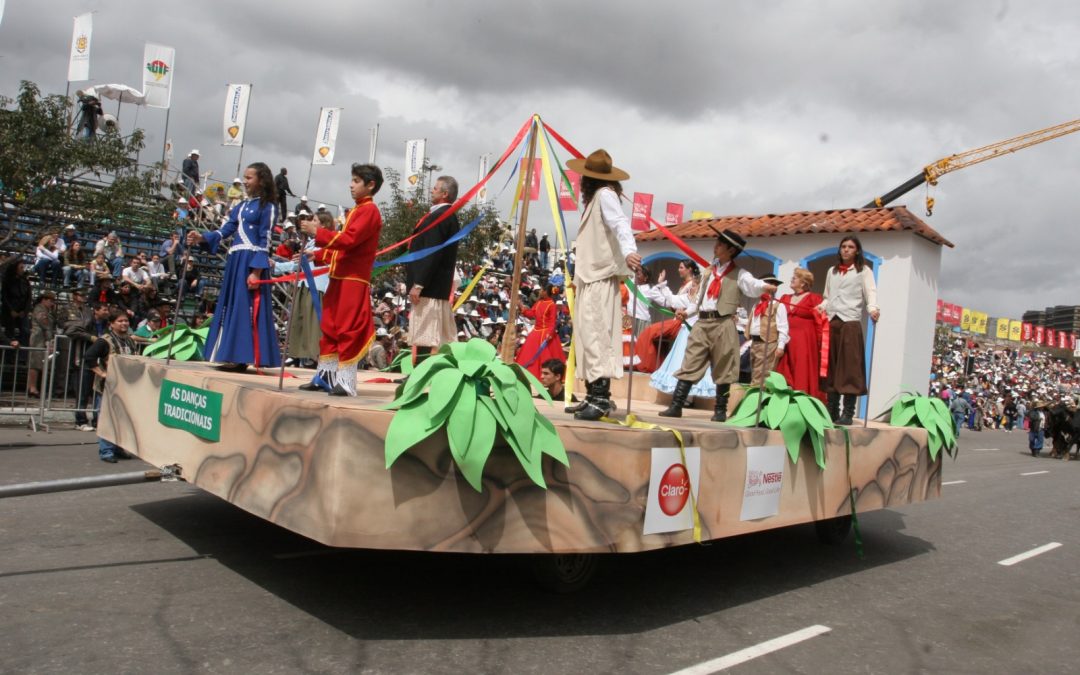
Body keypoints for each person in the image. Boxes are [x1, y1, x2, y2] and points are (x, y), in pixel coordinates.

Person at [659, 228, 776, 421]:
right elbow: (699, 300)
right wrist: (687, 313)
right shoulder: (708, 272)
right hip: (703, 322)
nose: (716, 246)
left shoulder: (740, 273)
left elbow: (752, 285)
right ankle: (676, 405)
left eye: (720, 244)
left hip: (723, 323)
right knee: (690, 362)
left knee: (724, 366)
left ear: (731, 250)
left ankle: (720, 411)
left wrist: (766, 286)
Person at [564, 149, 642, 421]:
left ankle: (601, 399)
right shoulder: (598, 199)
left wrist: (630, 250)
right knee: (587, 335)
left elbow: (620, 224)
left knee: (597, 334)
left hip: (599, 277)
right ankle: (592, 395)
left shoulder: (605, 196)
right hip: (590, 277)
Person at [297, 163, 383, 396]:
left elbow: (349, 240)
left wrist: (318, 233)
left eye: (356, 181)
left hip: (354, 279)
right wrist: (316, 254)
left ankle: (346, 380)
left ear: (370, 185)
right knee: (331, 326)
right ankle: (326, 375)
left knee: (347, 327)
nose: (350, 185)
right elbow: (342, 250)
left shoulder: (369, 211)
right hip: (340, 276)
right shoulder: (356, 210)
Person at [187, 162, 281, 372]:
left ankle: (241, 357)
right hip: (235, 260)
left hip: (250, 261)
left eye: (249, 178)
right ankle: (230, 353)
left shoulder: (268, 207)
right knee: (230, 304)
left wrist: (256, 271)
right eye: (245, 178)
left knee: (244, 306)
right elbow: (226, 229)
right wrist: (203, 237)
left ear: (262, 180)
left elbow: (265, 240)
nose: (245, 182)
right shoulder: (240, 207)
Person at [818, 235, 879, 425]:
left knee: (850, 368)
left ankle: (848, 412)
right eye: (843, 246)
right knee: (831, 366)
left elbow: (870, 292)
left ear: (857, 250)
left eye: (850, 247)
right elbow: (827, 296)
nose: (846, 249)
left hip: (850, 322)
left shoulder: (864, 271)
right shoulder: (832, 271)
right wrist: (820, 307)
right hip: (832, 321)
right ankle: (832, 409)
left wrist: (873, 309)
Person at [405, 175, 461, 362]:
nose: (432, 190)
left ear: (445, 193)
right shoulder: (443, 215)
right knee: (427, 331)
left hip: (430, 285)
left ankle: (420, 373)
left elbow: (432, 252)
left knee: (425, 332)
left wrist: (419, 283)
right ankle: (420, 372)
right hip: (434, 284)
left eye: (436, 188)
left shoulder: (441, 217)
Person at [650, 259, 714, 399]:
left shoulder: (706, 301)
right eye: (695, 285)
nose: (694, 288)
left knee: (693, 363)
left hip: (699, 333)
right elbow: (672, 300)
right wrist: (661, 284)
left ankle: (688, 397)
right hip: (686, 332)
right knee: (681, 363)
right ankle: (682, 397)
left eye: (697, 285)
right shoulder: (688, 298)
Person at [84, 310, 137, 462]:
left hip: (125, 386)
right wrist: (101, 374)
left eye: (126, 321)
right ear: (112, 324)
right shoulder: (105, 341)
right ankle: (106, 451)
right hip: (108, 387)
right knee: (107, 419)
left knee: (122, 419)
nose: (124, 323)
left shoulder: (129, 340)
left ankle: (118, 448)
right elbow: (89, 357)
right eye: (120, 321)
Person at [775, 267, 826, 402]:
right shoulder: (785, 297)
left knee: (801, 368)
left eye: (795, 277)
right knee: (784, 368)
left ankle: (802, 401)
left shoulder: (815, 298)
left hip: (805, 340)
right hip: (786, 338)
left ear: (803, 283)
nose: (792, 279)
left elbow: (821, 320)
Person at [745, 274, 789, 384]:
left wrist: (780, 347)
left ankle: (758, 400)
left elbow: (783, 327)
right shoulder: (757, 305)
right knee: (755, 373)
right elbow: (754, 323)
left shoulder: (778, 305)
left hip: (768, 344)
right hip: (755, 343)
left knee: (762, 377)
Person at [515, 285, 565, 379]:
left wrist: (550, 333)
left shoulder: (552, 304)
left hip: (546, 332)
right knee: (528, 353)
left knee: (546, 356)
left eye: (542, 290)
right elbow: (531, 313)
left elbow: (552, 321)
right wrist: (522, 308)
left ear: (547, 292)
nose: (540, 292)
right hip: (536, 331)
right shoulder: (539, 302)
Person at [27, 290, 58, 397]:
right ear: (43, 300)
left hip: (42, 338)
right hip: (38, 338)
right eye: (50, 300)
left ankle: (33, 387)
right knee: (35, 364)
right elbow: (45, 325)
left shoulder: (47, 310)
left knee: (40, 364)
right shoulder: (40, 309)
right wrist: (49, 340)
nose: (52, 303)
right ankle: (32, 388)